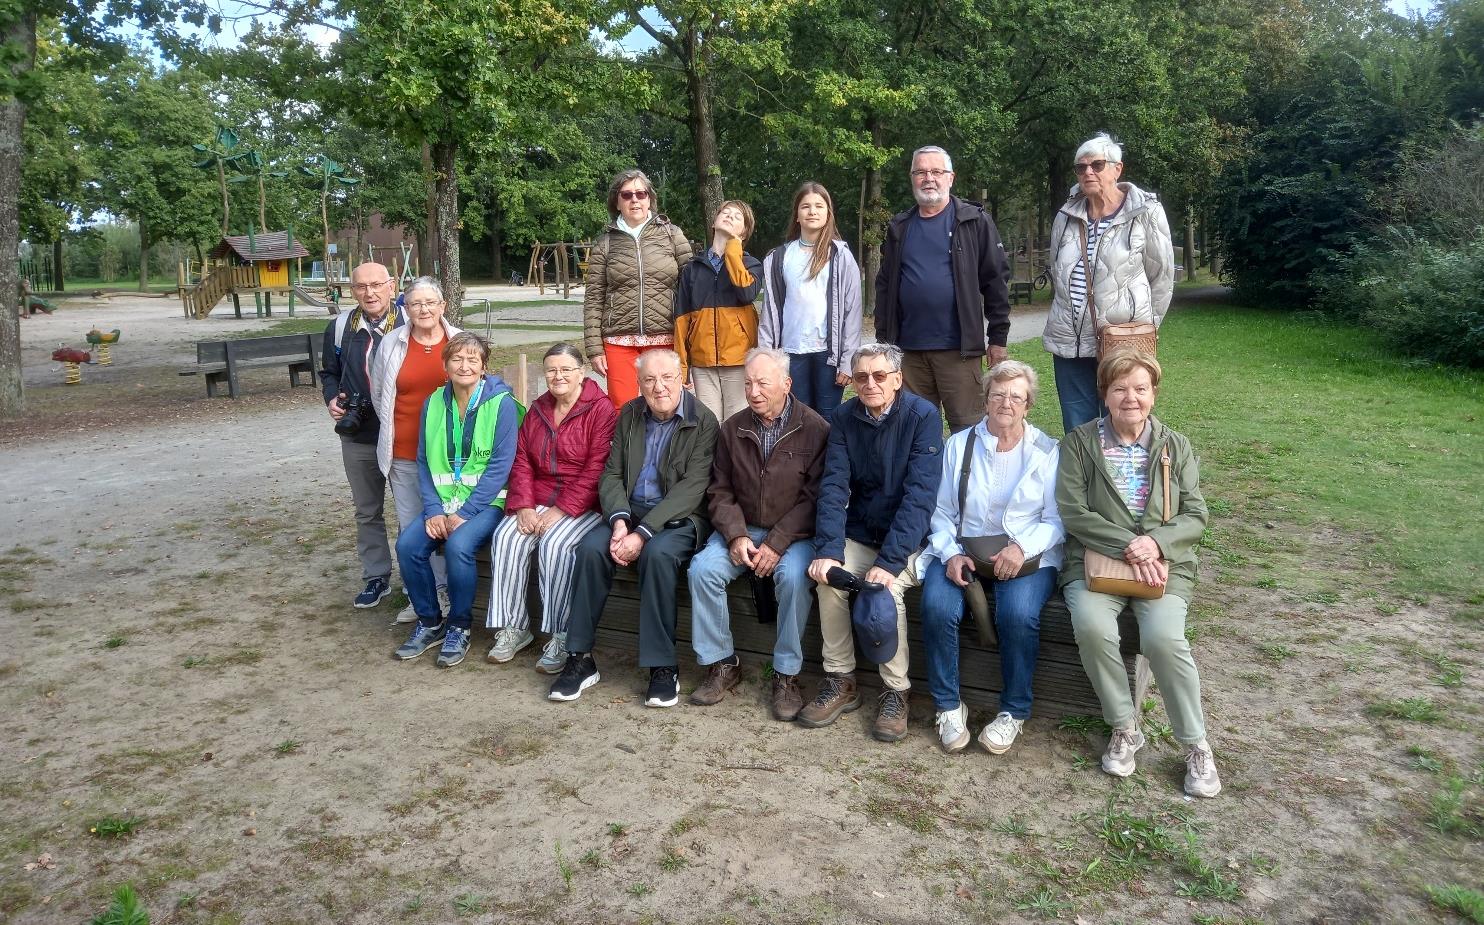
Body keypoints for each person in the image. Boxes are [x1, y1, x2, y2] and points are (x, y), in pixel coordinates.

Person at [1056, 351, 1218, 797]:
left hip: (1162, 567)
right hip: (1095, 564)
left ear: (1153, 394)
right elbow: (1073, 511)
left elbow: (1196, 514)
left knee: (1165, 639)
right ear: (1104, 394)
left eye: (1140, 388)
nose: (1130, 397)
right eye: (1119, 388)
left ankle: (1195, 743)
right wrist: (1129, 544)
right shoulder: (1080, 443)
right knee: (1092, 626)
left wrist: (1157, 543)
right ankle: (1125, 726)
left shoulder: (1175, 446)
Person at [547, 349, 718, 708]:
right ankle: (579, 657)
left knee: (657, 556)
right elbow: (610, 473)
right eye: (649, 380)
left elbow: (693, 488)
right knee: (591, 549)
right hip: (630, 513)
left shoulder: (703, 421)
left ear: (681, 377)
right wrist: (620, 520)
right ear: (639, 384)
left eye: (666, 378)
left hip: (680, 517)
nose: (659, 388)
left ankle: (662, 666)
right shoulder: (629, 414)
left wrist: (643, 534)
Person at [918, 361, 1063, 755]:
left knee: (1017, 615)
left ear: (1028, 404)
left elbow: (1055, 519)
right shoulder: (959, 444)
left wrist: (1022, 548)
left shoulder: (1046, 451)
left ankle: (1014, 710)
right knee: (935, 605)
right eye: (998, 394)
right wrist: (949, 553)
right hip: (964, 551)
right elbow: (941, 510)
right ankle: (948, 706)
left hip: (1027, 557)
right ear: (985, 399)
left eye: (1016, 396)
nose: (1006, 403)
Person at [804, 343, 943, 741]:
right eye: (862, 376)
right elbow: (832, 487)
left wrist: (891, 560)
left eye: (880, 375)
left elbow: (921, 496)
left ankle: (896, 690)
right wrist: (829, 550)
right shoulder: (844, 417)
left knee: (885, 592)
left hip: (910, 541)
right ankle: (840, 678)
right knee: (828, 579)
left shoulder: (923, 417)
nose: (870, 383)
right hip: (861, 534)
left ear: (897, 379)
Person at [686, 347, 830, 720]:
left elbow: (815, 499)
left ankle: (786, 674)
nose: (753, 391)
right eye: (748, 383)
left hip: (794, 534)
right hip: (743, 527)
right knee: (703, 571)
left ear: (786, 383)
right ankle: (721, 664)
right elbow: (719, 490)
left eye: (763, 383)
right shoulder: (733, 428)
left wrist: (778, 542)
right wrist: (735, 536)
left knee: (795, 579)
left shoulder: (815, 429)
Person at [485, 344, 618, 671]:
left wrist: (560, 511)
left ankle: (561, 635)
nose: (558, 376)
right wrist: (525, 506)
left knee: (555, 544)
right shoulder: (539, 408)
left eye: (566, 370)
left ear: (581, 372)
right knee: (507, 537)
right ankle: (513, 628)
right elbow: (521, 462)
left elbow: (597, 468)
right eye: (551, 370)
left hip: (583, 503)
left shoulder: (601, 410)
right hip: (538, 497)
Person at [392, 333, 521, 668]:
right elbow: (423, 459)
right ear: (445, 365)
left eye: (473, 359)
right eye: (457, 359)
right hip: (443, 503)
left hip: (486, 503)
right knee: (407, 546)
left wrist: (465, 512)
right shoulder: (434, 402)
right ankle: (430, 621)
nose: (465, 366)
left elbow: (500, 466)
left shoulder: (501, 403)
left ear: (483, 367)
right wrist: (434, 510)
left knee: (458, 546)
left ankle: (460, 626)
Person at [1042, 133, 1174, 432]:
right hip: (1070, 340)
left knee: (1122, 420)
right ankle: (1085, 478)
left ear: (1117, 169)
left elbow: (1163, 277)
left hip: (1122, 340)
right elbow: (1057, 267)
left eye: (1097, 165)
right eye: (1080, 167)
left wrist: (1144, 327)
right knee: (1078, 427)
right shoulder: (1066, 214)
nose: (1088, 172)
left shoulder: (1145, 212)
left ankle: (1119, 479)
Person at [873, 146, 1011, 433]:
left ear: (951, 178)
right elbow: (885, 286)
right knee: (912, 433)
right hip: (908, 354)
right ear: (912, 178)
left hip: (959, 352)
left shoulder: (973, 221)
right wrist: (884, 342)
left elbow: (995, 280)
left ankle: (964, 481)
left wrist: (998, 337)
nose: (928, 178)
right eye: (921, 172)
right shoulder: (899, 227)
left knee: (968, 430)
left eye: (936, 171)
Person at [370, 276, 461, 624]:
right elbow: (381, 395)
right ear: (404, 309)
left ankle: (451, 590)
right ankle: (422, 595)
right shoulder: (392, 343)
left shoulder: (458, 342)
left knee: (449, 523)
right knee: (413, 528)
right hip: (405, 452)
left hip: (452, 456)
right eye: (414, 304)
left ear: (442, 306)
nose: (423, 310)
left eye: (429, 303)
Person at [319, 261, 406, 608]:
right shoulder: (340, 327)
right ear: (351, 290)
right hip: (358, 435)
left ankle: (418, 579)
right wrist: (331, 399)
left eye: (376, 285)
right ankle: (376, 577)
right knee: (367, 511)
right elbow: (328, 372)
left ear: (391, 285)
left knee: (410, 510)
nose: (369, 293)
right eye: (360, 287)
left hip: (404, 433)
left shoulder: (411, 323)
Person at [583, 169, 694, 410]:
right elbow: (593, 298)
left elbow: (691, 287)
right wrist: (594, 349)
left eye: (640, 193)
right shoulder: (606, 242)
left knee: (665, 405)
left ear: (649, 199)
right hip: (618, 340)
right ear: (617, 201)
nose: (634, 199)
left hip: (665, 335)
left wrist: (689, 341)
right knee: (623, 409)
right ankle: (629, 450)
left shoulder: (671, 234)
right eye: (627, 194)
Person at [758, 181, 862, 417]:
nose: (812, 211)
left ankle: (829, 456)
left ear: (828, 213)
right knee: (797, 417)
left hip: (828, 355)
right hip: (791, 353)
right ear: (797, 214)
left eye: (819, 206)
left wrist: (847, 360)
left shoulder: (840, 256)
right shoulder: (779, 258)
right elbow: (770, 311)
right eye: (805, 206)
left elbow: (852, 311)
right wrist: (767, 357)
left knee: (827, 418)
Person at [673, 200, 764, 421]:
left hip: (738, 359)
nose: (730, 216)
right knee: (708, 423)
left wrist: (733, 248)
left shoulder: (751, 264)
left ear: (744, 232)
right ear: (714, 221)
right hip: (703, 362)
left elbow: (745, 292)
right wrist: (682, 367)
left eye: (737, 216)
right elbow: (681, 320)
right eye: (725, 212)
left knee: (737, 422)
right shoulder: (693, 269)